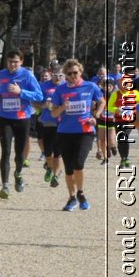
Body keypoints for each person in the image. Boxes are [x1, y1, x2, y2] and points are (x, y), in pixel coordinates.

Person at [51, 58, 102, 212]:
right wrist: (62, 108)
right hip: (65, 132)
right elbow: (54, 113)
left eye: (75, 73)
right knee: (68, 169)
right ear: (65, 74)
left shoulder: (90, 86)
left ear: (80, 72)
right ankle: (72, 197)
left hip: (84, 132)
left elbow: (102, 101)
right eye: (69, 73)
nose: (73, 76)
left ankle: (81, 192)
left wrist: (96, 116)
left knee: (78, 164)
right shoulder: (60, 90)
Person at [0, 51, 42, 197]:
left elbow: (39, 95)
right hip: (5, 117)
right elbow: (0, 92)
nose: (12, 64)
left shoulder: (27, 75)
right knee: (5, 151)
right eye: (10, 61)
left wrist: (21, 92)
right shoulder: (1, 74)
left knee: (19, 153)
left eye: (15, 61)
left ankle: (18, 173)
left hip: (22, 118)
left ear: (21, 62)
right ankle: (5, 186)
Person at [38, 67, 64, 187]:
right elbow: (35, 101)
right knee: (48, 151)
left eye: (60, 75)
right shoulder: (43, 86)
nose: (58, 77)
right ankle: (49, 166)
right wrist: (43, 105)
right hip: (47, 121)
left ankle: (56, 175)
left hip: (62, 122)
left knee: (58, 151)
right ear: (51, 75)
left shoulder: (66, 86)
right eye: (55, 75)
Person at [114, 70, 137, 169]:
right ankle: (123, 158)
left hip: (129, 120)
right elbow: (110, 107)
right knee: (120, 140)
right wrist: (117, 110)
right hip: (118, 120)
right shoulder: (116, 94)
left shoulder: (134, 93)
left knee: (125, 137)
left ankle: (126, 158)